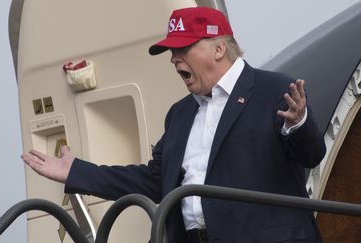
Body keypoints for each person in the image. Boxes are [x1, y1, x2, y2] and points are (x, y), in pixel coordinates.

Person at [22, 6, 326, 243]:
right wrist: (76, 171)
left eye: (183, 49)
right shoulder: (180, 114)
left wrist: (299, 124)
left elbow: (311, 155)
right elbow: (154, 181)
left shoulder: (274, 90)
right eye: (171, 51)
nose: (173, 59)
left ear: (218, 49)